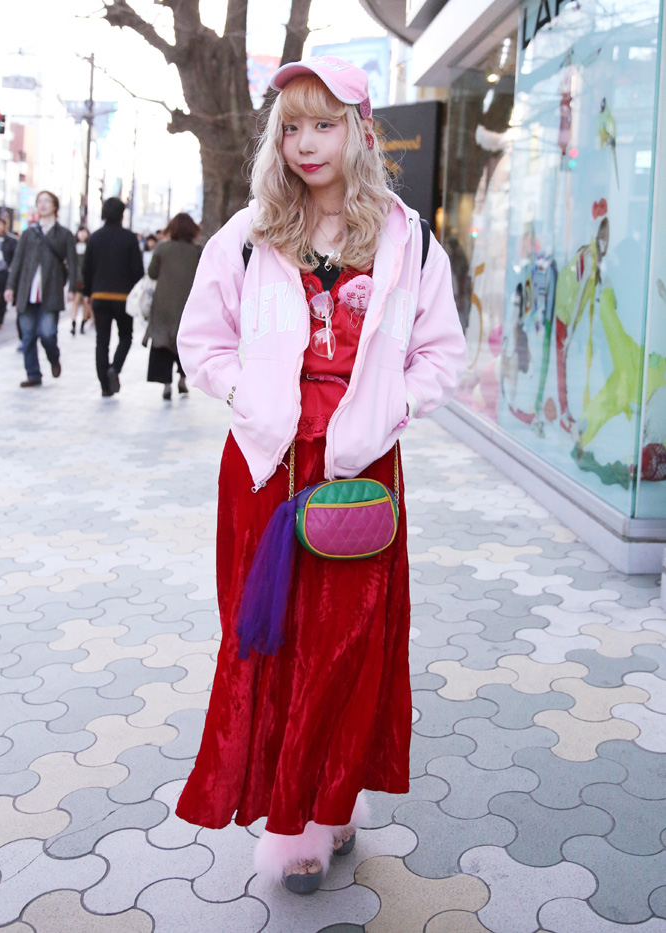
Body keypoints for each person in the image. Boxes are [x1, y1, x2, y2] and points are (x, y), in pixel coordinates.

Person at [175, 57, 466, 893]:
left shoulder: (407, 238)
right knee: (270, 642)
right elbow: (202, 341)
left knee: (347, 646)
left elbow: (441, 353)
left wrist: (386, 410)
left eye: (324, 124)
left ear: (360, 131)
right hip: (265, 474)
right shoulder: (249, 232)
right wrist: (250, 397)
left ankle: (332, 801)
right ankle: (291, 823)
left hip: (361, 474)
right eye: (292, 126)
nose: (306, 143)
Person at [4, 191, 76, 387]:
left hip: (50, 292)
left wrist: (73, 288)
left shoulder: (64, 234)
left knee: (47, 334)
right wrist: (10, 286)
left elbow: (72, 262)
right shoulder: (29, 233)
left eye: (47, 201)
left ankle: (54, 358)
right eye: (39, 201)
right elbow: (17, 261)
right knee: (27, 337)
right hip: (26, 291)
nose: (43, 205)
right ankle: (33, 374)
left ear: (55, 206)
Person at [82, 197, 144, 397]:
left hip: (99, 295)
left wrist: (87, 293)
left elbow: (86, 268)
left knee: (102, 341)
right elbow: (138, 270)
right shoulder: (129, 238)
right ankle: (115, 368)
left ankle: (104, 386)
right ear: (121, 214)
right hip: (123, 298)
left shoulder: (95, 237)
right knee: (126, 336)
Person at [146, 213, 201, 400]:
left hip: (163, 304)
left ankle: (166, 385)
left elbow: (152, 273)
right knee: (185, 343)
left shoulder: (162, 248)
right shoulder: (197, 251)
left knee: (162, 342)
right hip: (188, 305)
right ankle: (183, 380)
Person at [70, 227, 92, 335]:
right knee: (76, 301)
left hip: (87, 278)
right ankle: (74, 323)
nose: (82, 234)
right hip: (76, 278)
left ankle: (83, 323)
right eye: (81, 232)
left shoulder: (90, 247)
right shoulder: (73, 247)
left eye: (84, 232)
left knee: (85, 302)